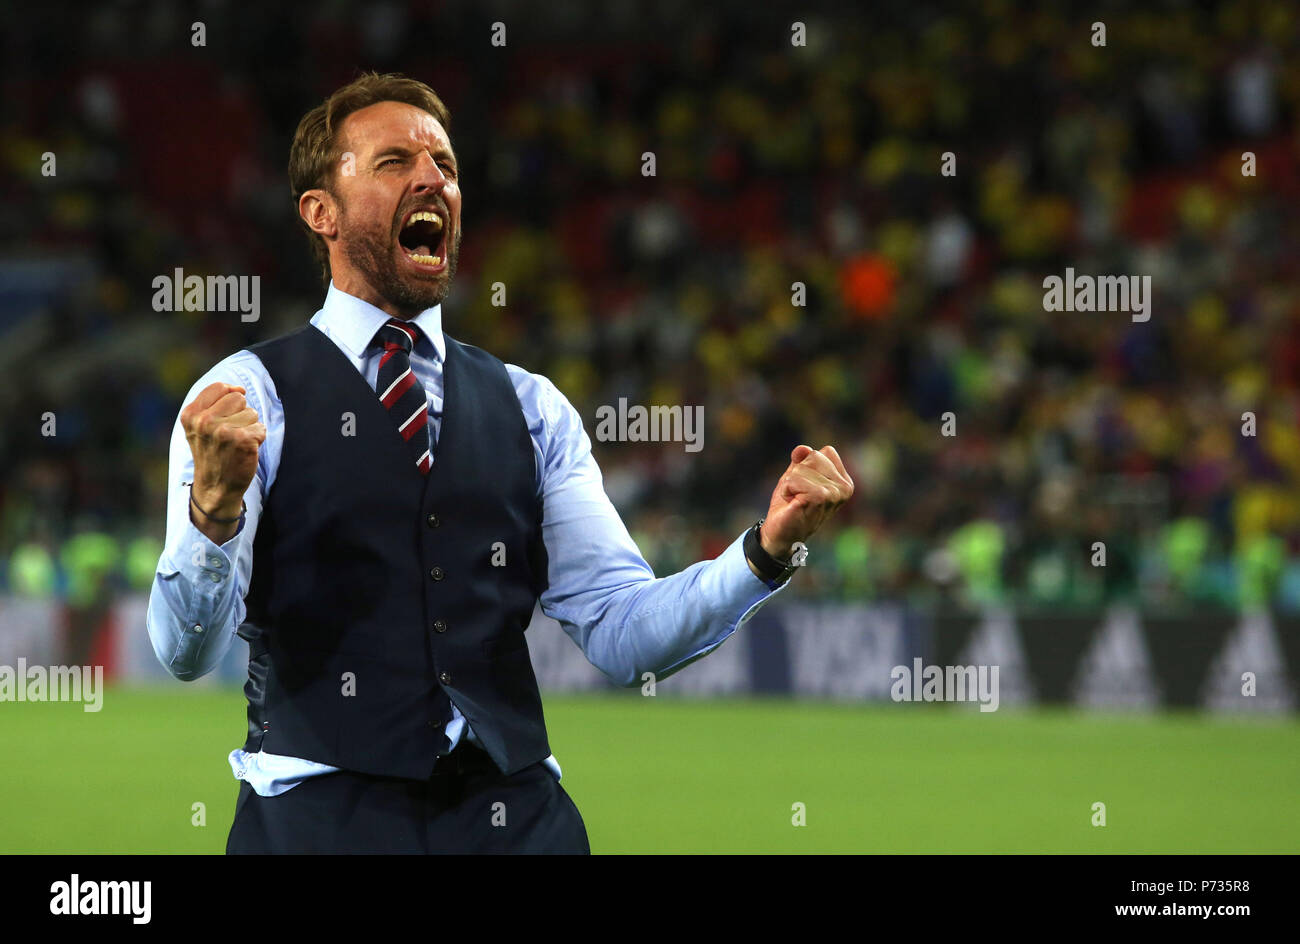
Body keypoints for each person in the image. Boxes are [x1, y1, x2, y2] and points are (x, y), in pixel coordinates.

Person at [146, 72, 854, 854]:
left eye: (444, 164)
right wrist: (212, 514)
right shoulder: (244, 398)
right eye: (392, 162)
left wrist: (765, 550)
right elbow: (186, 654)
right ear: (322, 213)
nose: (431, 179)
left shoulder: (530, 405)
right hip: (318, 819)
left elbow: (624, 630)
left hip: (514, 820)